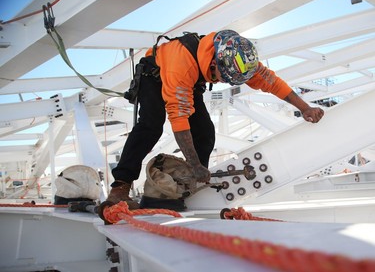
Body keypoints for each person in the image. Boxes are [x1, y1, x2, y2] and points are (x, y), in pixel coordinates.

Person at [107, 30, 324, 209]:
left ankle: (188, 185)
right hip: (154, 76)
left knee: (205, 132)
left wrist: (305, 108)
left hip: (192, 81)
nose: (223, 82)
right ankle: (121, 186)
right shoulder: (183, 64)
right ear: (214, 63)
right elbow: (179, 117)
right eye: (224, 78)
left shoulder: (240, 58)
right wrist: (194, 163)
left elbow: (272, 82)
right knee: (151, 125)